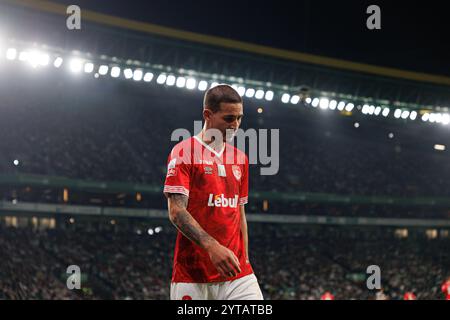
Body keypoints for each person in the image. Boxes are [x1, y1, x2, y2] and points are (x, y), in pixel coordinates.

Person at [163, 84, 263, 300]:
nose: (235, 125)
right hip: (193, 274)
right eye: (229, 118)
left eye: (239, 118)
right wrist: (212, 246)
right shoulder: (183, 152)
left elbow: (239, 213)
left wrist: (244, 258)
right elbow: (176, 211)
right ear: (208, 115)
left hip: (238, 275)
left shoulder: (240, 159)